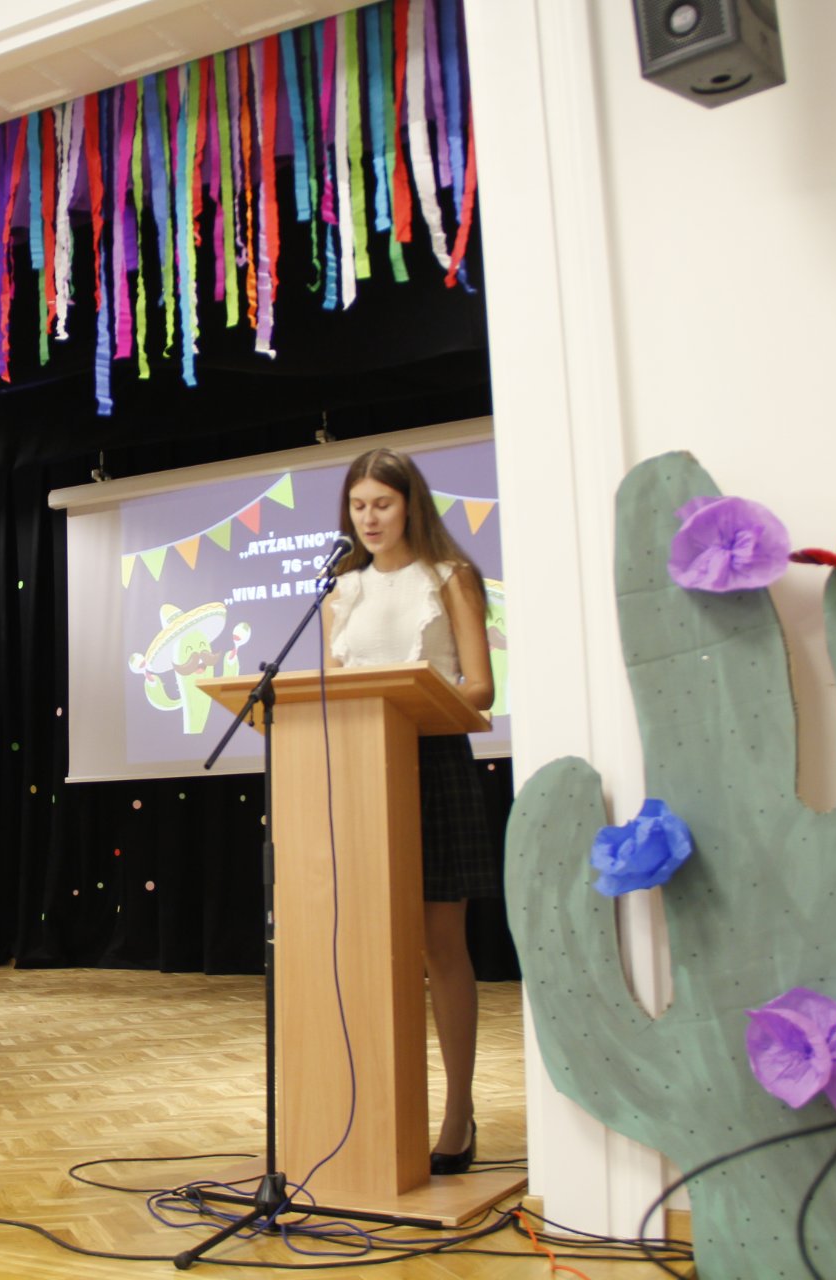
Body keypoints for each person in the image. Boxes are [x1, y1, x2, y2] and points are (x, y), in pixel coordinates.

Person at [322, 447, 496, 1175]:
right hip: (361, 771)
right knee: (367, 945)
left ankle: (458, 1112)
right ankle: (374, 1109)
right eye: (359, 505)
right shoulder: (341, 589)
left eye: (383, 504)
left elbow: (480, 687)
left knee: (440, 944)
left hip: (433, 763)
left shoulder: (449, 577)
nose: (369, 518)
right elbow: (331, 687)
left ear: (410, 505)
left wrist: (416, 691)